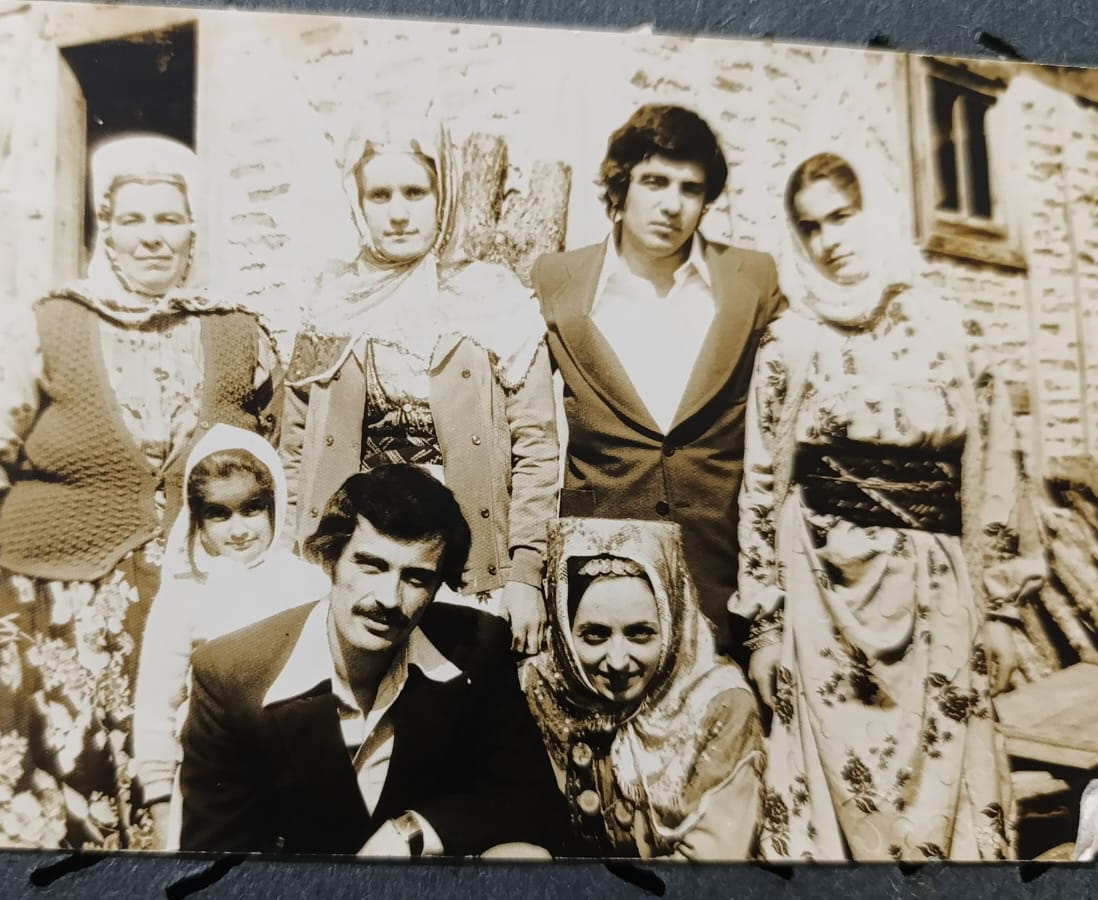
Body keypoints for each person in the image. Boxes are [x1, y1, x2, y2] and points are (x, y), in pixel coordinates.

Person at [0, 133, 280, 850]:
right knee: (52, 807)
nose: (152, 237)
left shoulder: (239, 332)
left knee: (188, 799)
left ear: (193, 230)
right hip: (52, 604)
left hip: (192, 601)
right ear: (106, 230)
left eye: (169, 219)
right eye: (132, 219)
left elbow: (272, 458)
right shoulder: (50, 323)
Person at [732, 147, 1045, 861]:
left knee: (943, 777)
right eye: (810, 227)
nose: (828, 241)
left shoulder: (951, 329)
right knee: (835, 796)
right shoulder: (791, 342)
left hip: (935, 591)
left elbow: (995, 468)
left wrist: (1001, 610)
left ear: (878, 209)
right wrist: (765, 627)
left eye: (842, 217)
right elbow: (762, 484)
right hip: (820, 593)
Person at [179, 464, 567, 856]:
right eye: (371, 566)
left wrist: (415, 830)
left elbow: (536, 807)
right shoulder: (230, 675)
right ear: (330, 559)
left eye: (416, 578)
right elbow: (212, 862)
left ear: (438, 587)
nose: (388, 599)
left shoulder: (476, 648)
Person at [280, 117, 559, 657]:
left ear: (444, 195)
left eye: (415, 192)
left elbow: (537, 449)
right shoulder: (329, 304)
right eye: (379, 195)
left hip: (464, 564)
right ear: (357, 202)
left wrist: (526, 572)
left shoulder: (494, 300)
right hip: (350, 561)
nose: (398, 212)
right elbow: (294, 449)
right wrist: (295, 562)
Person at [531, 104, 785, 662]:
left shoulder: (752, 281)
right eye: (654, 181)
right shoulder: (555, 281)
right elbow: (519, 427)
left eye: (691, 189)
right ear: (621, 184)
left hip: (719, 579)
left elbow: (785, 421)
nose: (673, 204)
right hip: (598, 579)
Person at [133, 424, 329, 850]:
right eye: (218, 514)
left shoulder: (309, 584)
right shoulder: (184, 594)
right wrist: (161, 803)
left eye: (251, 509)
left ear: (274, 505)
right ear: (197, 521)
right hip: (211, 783)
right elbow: (155, 706)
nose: (238, 529)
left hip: (299, 779)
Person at [521, 518, 763, 860]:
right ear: (563, 631)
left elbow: (713, 865)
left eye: (640, 634)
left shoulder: (719, 703)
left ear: (674, 624)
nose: (618, 662)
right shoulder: (542, 687)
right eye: (595, 635)